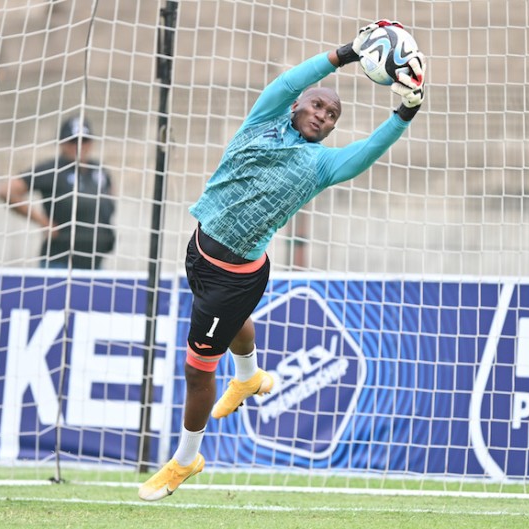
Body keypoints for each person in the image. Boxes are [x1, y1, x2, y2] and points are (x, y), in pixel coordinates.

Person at [138, 20, 426, 501]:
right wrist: (346, 53)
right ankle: (250, 377)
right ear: (297, 107)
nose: (323, 115)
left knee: (196, 370)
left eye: (332, 115)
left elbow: (366, 151)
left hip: (236, 276)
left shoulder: (320, 166)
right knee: (232, 326)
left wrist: (405, 111)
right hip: (199, 250)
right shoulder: (262, 122)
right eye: (317, 104)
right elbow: (287, 81)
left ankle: (184, 461)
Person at [0, 116, 116, 270]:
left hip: (95, 263)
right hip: (60, 262)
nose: (79, 146)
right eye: (73, 141)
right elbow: (7, 191)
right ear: (62, 143)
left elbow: (109, 200)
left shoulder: (99, 171)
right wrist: (43, 221)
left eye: (84, 140)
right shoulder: (53, 170)